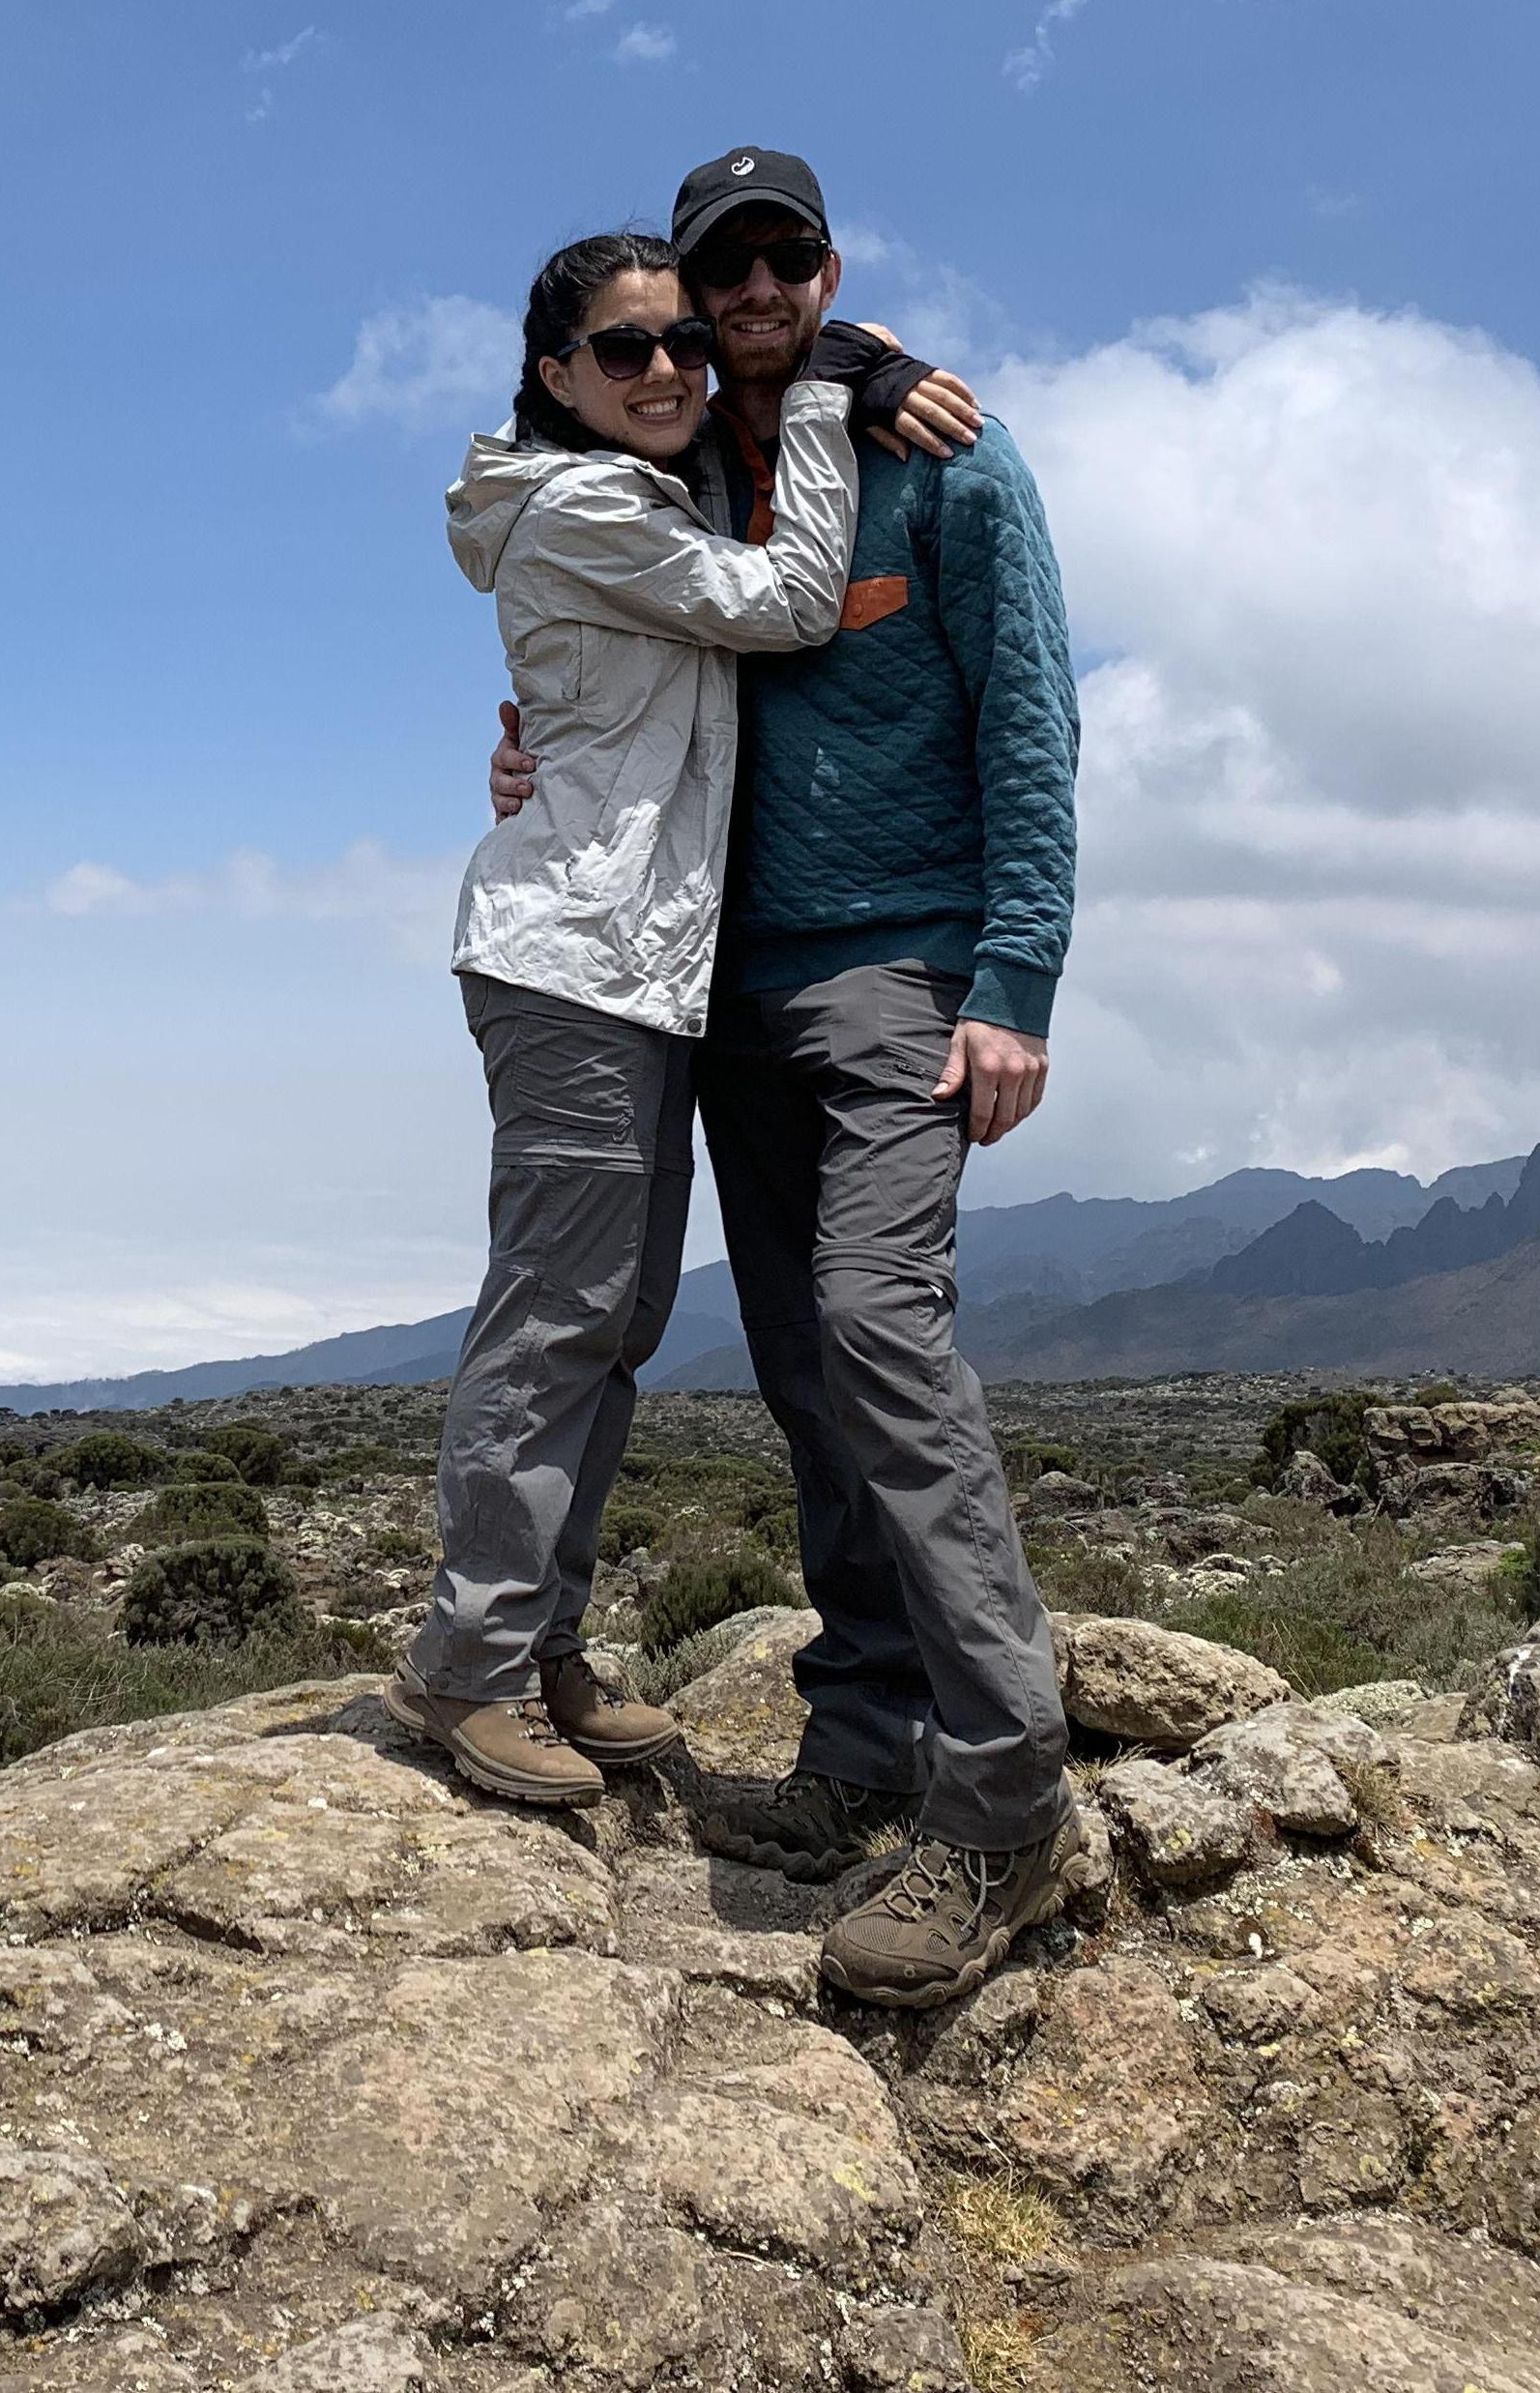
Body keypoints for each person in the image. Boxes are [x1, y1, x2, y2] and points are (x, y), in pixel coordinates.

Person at [489, 147, 1081, 2009]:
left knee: (879, 1333)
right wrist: (532, 754)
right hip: (725, 995)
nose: (746, 296)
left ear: (829, 271)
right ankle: (859, 1754)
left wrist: (1016, 981)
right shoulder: (681, 478)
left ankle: (1001, 1801)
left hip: (906, 980)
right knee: (814, 1378)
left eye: (783, 260)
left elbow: (1037, 714)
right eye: (711, 272)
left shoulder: (946, 457)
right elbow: (611, 661)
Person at [387, 227, 915, 1807]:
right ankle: (468, 1668)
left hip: (630, 960)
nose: (673, 367)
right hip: (575, 964)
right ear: (556, 377)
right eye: (627, 348)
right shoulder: (595, 502)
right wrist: (825, 392)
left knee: (608, 1328)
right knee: (557, 1320)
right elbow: (793, 599)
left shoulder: (622, 496)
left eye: (686, 340)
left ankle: (538, 1650)